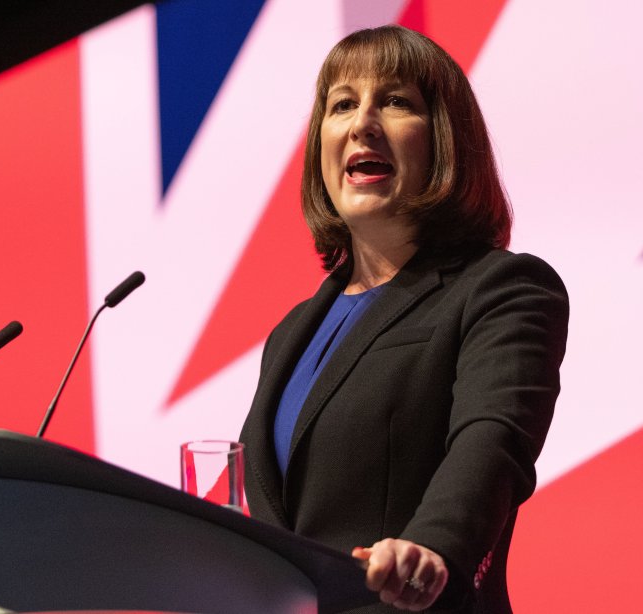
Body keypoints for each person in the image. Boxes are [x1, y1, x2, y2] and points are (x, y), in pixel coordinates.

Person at [239, 25, 568, 613]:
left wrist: (432, 548)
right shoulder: (292, 333)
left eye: (394, 102)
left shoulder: (500, 289)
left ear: (444, 139)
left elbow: (492, 441)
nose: (362, 123)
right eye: (342, 104)